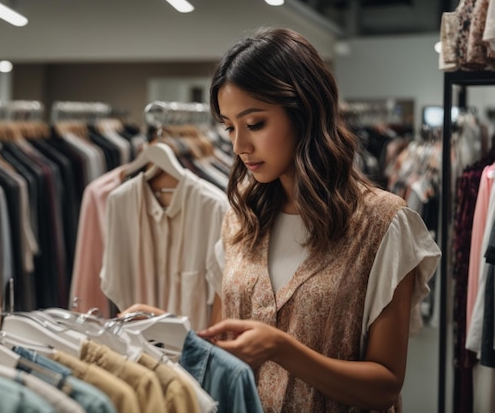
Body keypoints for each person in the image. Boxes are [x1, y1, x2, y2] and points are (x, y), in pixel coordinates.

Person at [120, 27, 441, 412]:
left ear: (304, 112)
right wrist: (175, 332)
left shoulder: (383, 223)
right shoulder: (240, 221)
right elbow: (225, 349)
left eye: (254, 124)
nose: (239, 146)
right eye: (229, 128)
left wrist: (281, 348)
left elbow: (386, 385)